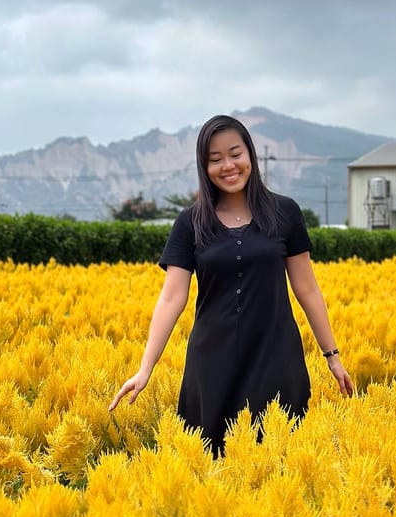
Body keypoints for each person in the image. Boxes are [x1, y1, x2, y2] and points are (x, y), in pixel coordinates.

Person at [108, 114, 353, 457]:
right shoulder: (190, 223)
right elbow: (171, 298)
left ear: (250, 155)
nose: (228, 166)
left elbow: (307, 289)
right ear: (204, 167)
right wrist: (145, 369)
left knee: (278, 464)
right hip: (212, 365)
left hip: (275, 358)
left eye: (235, 154)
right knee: (208, 466)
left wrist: (333, 357)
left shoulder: (285, 213)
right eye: (215, 159)